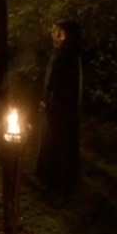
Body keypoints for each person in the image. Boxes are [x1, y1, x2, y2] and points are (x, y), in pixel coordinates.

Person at [35, 21, 84, 199]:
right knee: (51, 141)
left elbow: (62, 85)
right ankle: (52, 178)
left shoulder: (67, 56)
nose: (54, 35)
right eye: (54, 32)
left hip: (61, 109)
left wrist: (50, 101)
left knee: (58, 144)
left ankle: (59, 183)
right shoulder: (61, 54)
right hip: (56, 107)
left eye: (59, 33)